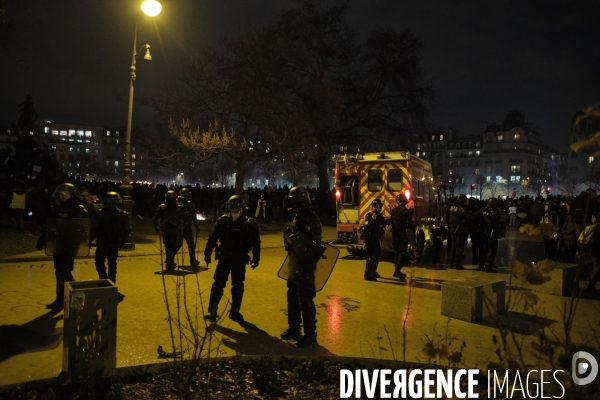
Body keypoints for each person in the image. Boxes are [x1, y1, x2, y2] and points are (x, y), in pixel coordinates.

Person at [203, 195, 261, 323]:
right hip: (225, 257)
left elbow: (256, 242)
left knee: (237, 286)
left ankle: (234, 312)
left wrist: (256, 258)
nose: (234, 212)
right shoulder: (224, 221)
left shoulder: (249, 223)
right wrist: (207, 252)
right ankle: (212, 310)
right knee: (218, 284)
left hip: (239, 259)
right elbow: (213, 237)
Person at [280, 186, 322, 347]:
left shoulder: (311, 218)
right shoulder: (299, 216)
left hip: (306, 264)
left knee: (305, 298)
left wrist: (295, 239)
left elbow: (313, 244)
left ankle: (310, 334)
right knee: (292, 294)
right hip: (296, 262)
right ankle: (294, 328)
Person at [36, 183, 89, 309]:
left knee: (65, 272)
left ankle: (78, 301)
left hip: (70, 244)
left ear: (72, 194)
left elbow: (85, 226)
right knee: (59, 271)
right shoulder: (58, 208)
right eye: (61, 193)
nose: (63, 195)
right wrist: (42, 240)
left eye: (66, 193)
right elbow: (51, 226)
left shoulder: (78, 208)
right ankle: (60, 300)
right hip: (58, 243)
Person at [92, 192, 131, 284]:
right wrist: (122, 241)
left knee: (100, 261)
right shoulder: (122, 214)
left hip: (103, 242)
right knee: (112, 263)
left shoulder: (99, 213)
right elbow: (127, 229)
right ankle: (111, 281)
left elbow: (93, 228)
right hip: (114, 242)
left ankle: (103, 279)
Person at [154, 190, 187, 271]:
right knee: (174, 245)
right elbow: (186, 217)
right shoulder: (175, 207)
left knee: (169, 246)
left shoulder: (164, 207)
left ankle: (170, 261)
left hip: (167, 228)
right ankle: (170, 261)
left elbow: (155, 218)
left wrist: (156, 228)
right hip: (173, 229)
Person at [389, 194, 413, 280]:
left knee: (397, 253)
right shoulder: (405, 211)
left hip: (394, 234)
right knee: (402, 253)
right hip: (401, 235)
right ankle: (397, 270)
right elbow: (409, 224)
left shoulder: (393, 210)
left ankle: (396, 270)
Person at [362, 198, 387, 281]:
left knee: (377, 255)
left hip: (376, 239)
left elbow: (383, 223)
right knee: (371, 256)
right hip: (370, 239)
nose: (375, 208)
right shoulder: (369, 215)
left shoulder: (379, 215)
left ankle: (373, 271)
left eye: (377, 206)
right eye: (374, 206)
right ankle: (367, 274)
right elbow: (368, 227)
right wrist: (373, 220)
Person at [177, 187, 200, 268]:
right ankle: (192, 261)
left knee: (178, 243)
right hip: (186, 226)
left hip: (177, 226)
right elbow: (193, 215)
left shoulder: (176, 202)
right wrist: (196, 226)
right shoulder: (189, 203)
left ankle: (170, 259)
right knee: (190, 244)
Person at [448, 194, 472, 270]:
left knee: (453, 247)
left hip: (453, 229)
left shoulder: (452, 207)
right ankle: (456, 264)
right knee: (459, 247)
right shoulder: (462, 208)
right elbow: (469, 217)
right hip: (459, 230)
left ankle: (451, 263)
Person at [480, 198, 504, 273]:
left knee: (485, 249)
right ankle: (488, 266)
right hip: (491, 232)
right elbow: (496, 223)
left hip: (483, 232)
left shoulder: (483, 209)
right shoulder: (493, 210)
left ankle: (481, 264)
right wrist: (500, 233)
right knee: (492, 250)